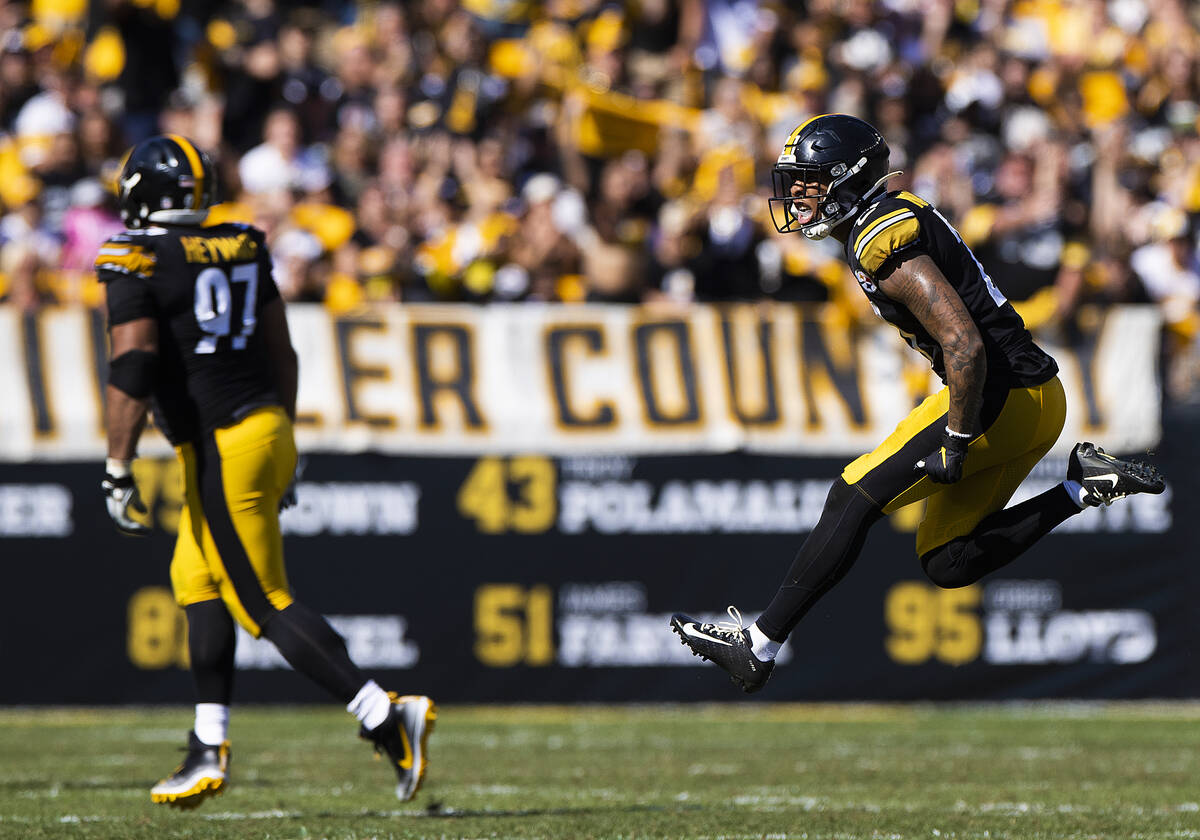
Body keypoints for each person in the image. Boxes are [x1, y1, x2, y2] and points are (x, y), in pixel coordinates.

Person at [669, 114, 1165, 693]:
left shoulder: (880, 237)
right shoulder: (887, 219)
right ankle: (1083, 486)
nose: (797, 194)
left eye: (809, 179)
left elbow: (963, 342)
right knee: (947, 561)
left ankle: (759, 645)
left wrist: (957, 440)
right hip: (1029, 398)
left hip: (997, 397)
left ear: (846, 179)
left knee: (852, 496)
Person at [97, 135, 436, 807]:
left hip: (222, 443)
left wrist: (116, 461)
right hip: (265, 427)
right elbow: (283, 354)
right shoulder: (244, 244)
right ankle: (207, 744)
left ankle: (381, 712)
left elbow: (134, 365)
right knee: (195, 579)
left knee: (261, 600)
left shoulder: (133, 255)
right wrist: (282, 441)